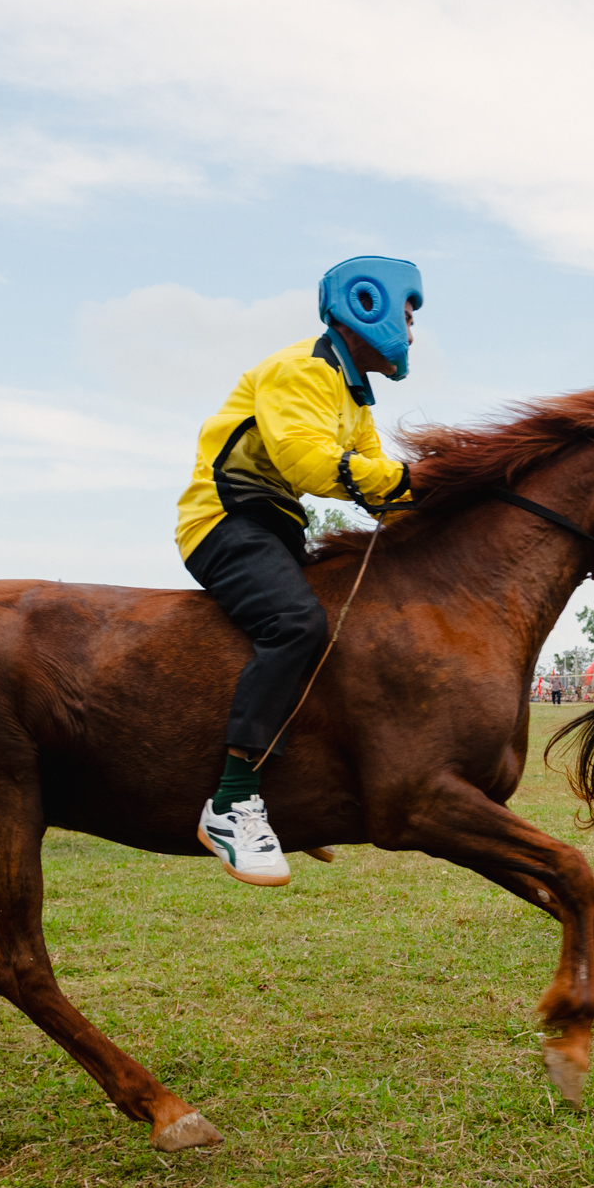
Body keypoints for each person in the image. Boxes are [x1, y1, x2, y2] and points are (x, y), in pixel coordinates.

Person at [174, 256, 421, 886]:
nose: (413, 333)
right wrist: (414, 481)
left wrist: (440, 507)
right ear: (369, 305)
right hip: (225, 522)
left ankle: (286, 792)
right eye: (409, 314)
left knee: (346, 631)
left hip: (278, 528)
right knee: (295, 625)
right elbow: (312, 463)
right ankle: (230, 806)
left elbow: (380, 486)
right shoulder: (300, 370)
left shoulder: (352, 398)